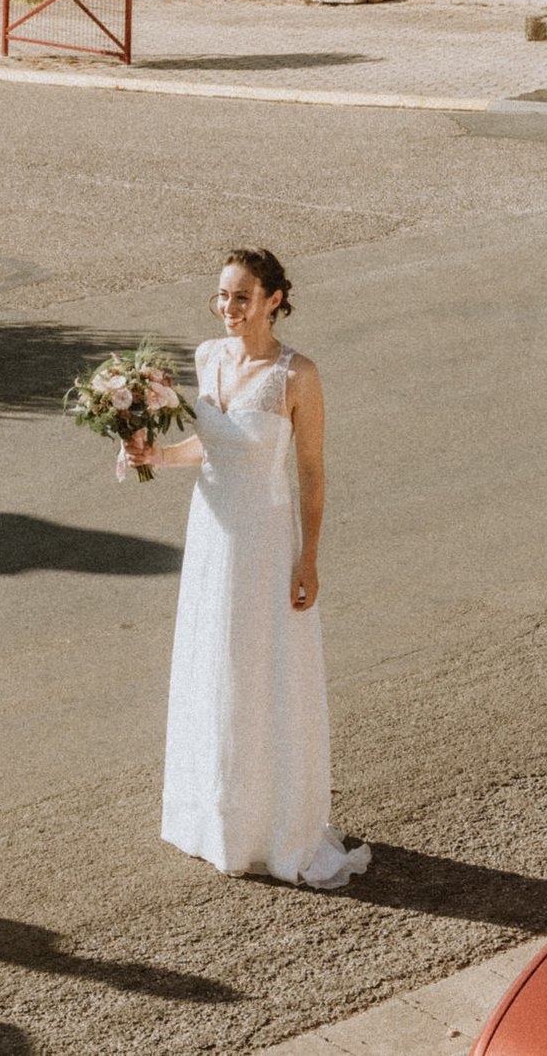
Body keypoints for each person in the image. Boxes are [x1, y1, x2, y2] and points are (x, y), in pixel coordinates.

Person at [125, 248, 370, 889]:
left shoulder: (298, 375)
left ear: (273, 300)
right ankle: (218, 818)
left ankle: (272, 824)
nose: (227, 308)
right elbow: (210, 446)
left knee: (261, 670)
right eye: (221, 296)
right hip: (211, 536)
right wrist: (153, 456)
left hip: (264, 541)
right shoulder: (208, 357)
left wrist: (308, 557)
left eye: (241, 296)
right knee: (214, 664)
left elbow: (311, 473)